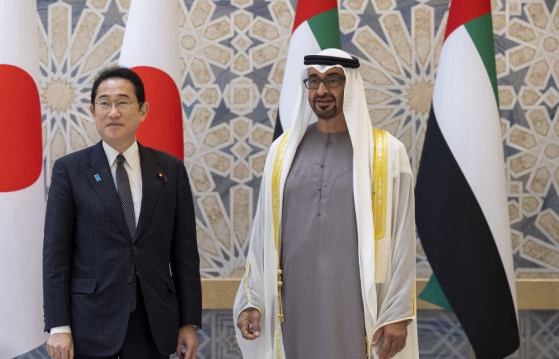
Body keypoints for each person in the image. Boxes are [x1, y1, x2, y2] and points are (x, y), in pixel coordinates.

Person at [233, 49, 419, 359]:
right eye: (314, 81)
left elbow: (403, 237)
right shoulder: (282, 152)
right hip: (293, 305)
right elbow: (262, 235)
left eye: (333, 80)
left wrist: (397, 313)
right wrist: (251, 299)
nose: (322, 91)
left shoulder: (387, 153)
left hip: (359, 305)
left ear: (352, 86)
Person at [43, 66, 201, 359]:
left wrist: (188, 322)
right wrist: (58, 326)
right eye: (104, 103)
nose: (113, 112)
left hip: (153, 324)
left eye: (123, 102)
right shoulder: (70, 170)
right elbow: (56, 256)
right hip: (89, 323)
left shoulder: (170, 170)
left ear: (143, 110)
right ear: (93, 111)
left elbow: (185, 255)